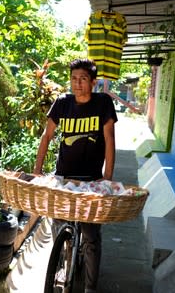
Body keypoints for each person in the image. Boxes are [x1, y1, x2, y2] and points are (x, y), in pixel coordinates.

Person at [33, 58, 117, 293]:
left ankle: (90, 287)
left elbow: (109, 139)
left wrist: (107, 177)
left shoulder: (102, 104)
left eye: (82, 79)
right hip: (64, 178)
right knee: (59, 226)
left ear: (92, 82)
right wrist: (38, 171)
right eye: (73, 79)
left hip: (91, 180)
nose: (77, 84)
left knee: (91, 237)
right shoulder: (62, 103)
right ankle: (62, 259)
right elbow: (46, 137)